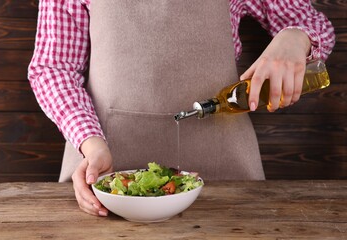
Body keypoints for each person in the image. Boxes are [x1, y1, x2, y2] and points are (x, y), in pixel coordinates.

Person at [28, 0, 335, 217]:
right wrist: (91, 145)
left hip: (227, 175)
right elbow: (53, 68)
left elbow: (311, 24)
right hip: (106, 176)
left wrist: (295, 38)